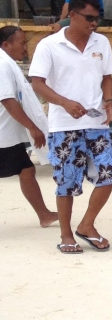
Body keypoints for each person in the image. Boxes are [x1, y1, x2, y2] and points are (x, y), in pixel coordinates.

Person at [29, 0, 112, 254]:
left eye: (97, 18)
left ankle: (87, 225)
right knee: (67, 182)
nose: (94, 23)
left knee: (111, 173)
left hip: (97, 122)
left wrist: (109, 100)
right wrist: (64, 103)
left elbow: (107, 77)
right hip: (63, 125)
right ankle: (66, 235)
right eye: (89, 18)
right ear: (72, 15)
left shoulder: (101, 42)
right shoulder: (49, 45)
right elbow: (37, 83)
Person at [0, 24, 58, 228]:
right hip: (3, 136)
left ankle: (44, 215)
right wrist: (32, 127)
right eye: (22, 43)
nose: (25, 48)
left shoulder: (7, 63)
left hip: (7, 135)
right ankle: (44, 215)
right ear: (6, 44)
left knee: (26, 170)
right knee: (26, 170)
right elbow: (8, 100)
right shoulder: (2, 64)